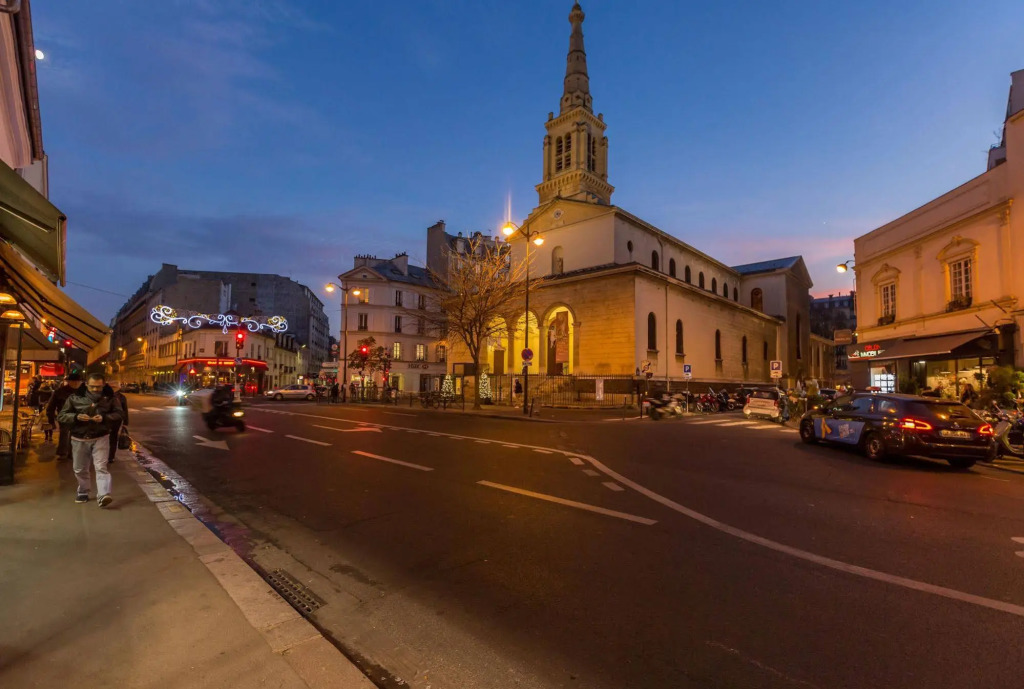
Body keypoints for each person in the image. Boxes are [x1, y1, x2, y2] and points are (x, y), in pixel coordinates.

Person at [59, 373, 122, 507]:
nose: (95, 389)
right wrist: (76, 417)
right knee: (79, 468)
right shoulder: (74, 397)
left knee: (101, 467)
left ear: (103, 385)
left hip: (101, 436)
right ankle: (83, 490)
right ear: (86, 384)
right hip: (79, 437)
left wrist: (104, 418)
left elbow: (119, 414)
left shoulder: (110, 398)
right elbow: (62, 415)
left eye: (98, 387)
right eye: (92, 386)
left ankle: (103, 494)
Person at [46, 373, 83, 461]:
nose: (76, 383)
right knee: (64, 434)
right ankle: (63, 452)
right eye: (73, 381)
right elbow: (51, 406)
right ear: (69, 382)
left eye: (78, 381)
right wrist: (51, 420)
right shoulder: (60, 392)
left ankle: (72, 453)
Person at [103, 383, 129, 463]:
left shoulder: (122, 397)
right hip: (105, 420)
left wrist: (125, 422)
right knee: (105, 438)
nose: (113, 388)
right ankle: (105, 455)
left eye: (115, 387)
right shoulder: (105, 395)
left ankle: (111, 456)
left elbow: (125, 410)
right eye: (112, 387)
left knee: (113, 439)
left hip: (116, 421)